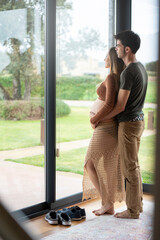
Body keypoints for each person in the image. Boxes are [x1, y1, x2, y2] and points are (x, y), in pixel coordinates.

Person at [92, 30, 148, 219]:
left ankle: (132, 210)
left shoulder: (129, 72)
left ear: (127, 49)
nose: (115, 49)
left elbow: (120, 106)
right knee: (135, 166)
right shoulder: (141, 68)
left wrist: (99, 118)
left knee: (129, 168)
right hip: (138, 122)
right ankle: (137, 205)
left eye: (118, 46)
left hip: (129, 124)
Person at [82, 47, 125, 216]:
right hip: (107, 127)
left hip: (105, 127)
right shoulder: (116, 78)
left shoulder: (111, 77)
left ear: (113, 59)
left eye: (106, 56)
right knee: (107, 167)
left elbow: (108, 105)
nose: (104, 59)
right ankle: (109, 205)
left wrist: (94, 119)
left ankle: (107, 202)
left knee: (89, 163)